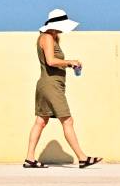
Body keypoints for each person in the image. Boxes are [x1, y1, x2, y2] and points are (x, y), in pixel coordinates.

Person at [24, 9, 103, 169]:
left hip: (50, 84)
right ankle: (82, 158)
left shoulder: (52, 38)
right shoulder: (46, 37)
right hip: (51, 85)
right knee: (67, 120)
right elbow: (51, 61)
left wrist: (69, 63)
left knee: (40, 121)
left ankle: (29, 159)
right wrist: (69, 62)